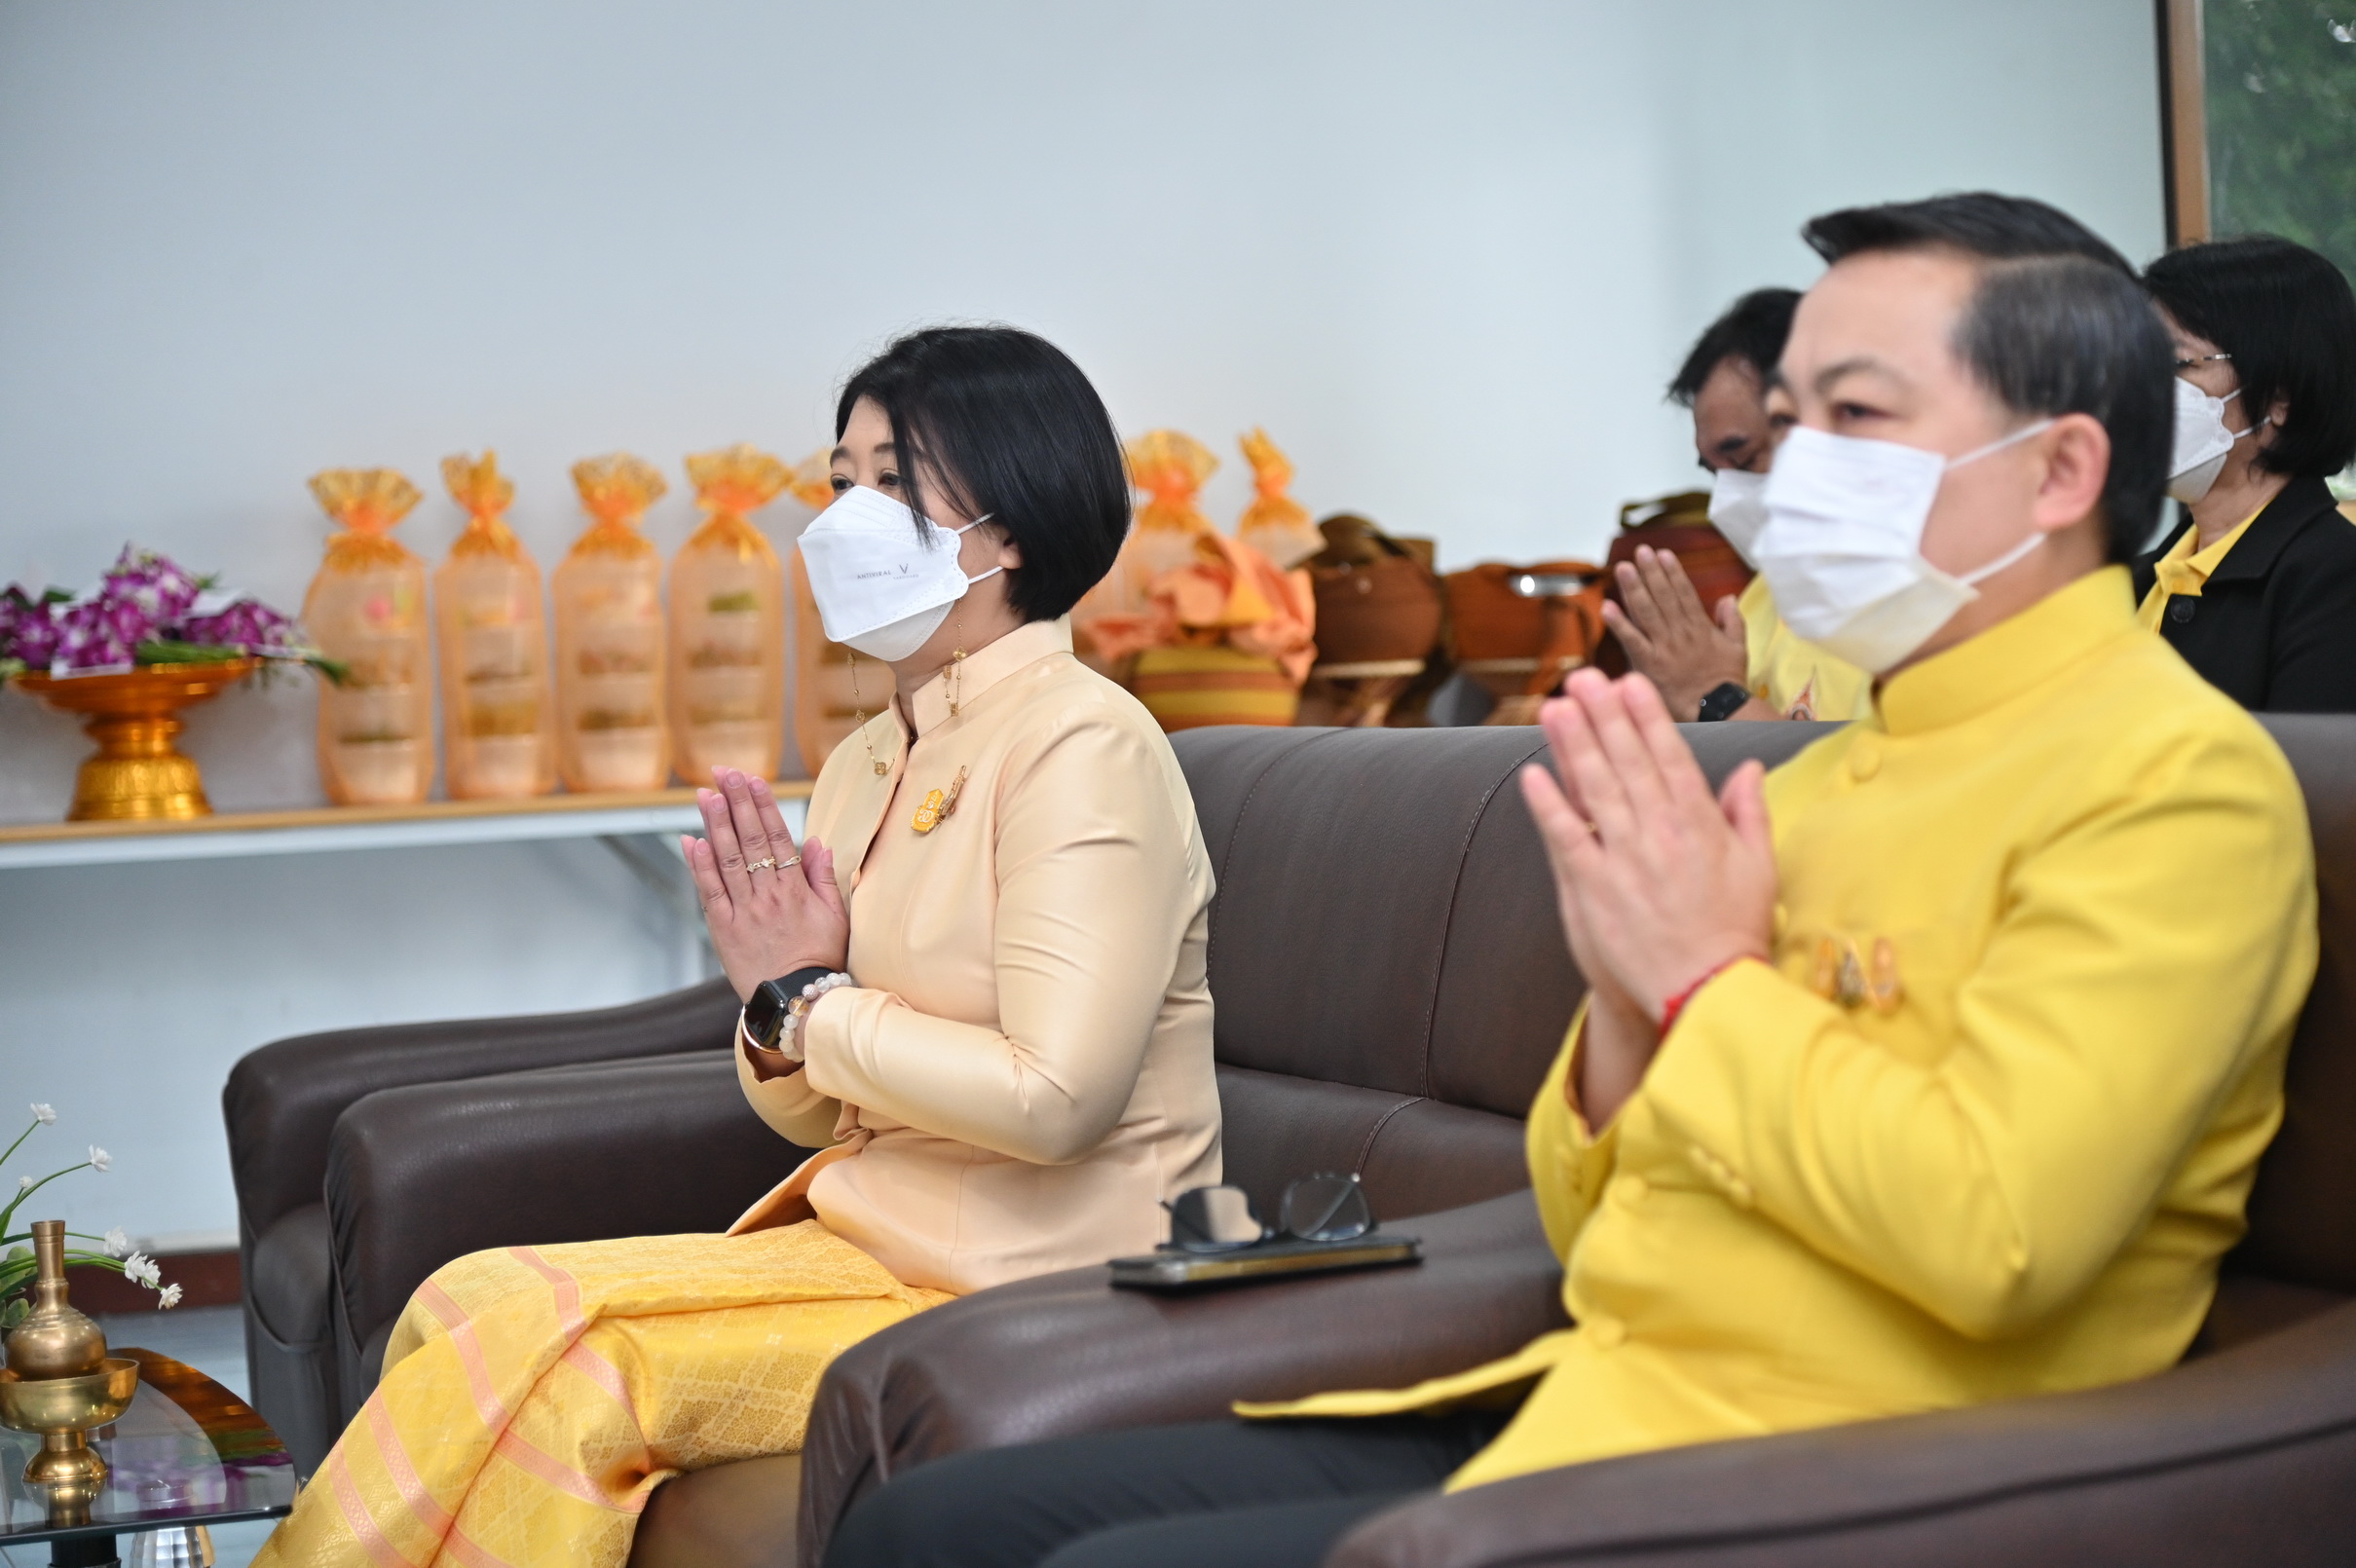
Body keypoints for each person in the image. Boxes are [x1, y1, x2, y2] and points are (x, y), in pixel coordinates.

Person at [822, 195, 2318, 1568]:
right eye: (1783, 425)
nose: (1792, 474)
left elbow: (1995, 1241)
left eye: (1853, 418)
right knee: (931, 1523)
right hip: (1588, 1391)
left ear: (2058, 467)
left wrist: (1700, 983)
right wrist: (1620, 1001)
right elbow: (1584, 1200)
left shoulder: (2169, 781)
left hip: (1830, 1464)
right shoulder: (1823, 773)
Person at [252, 326, 1222, 1568]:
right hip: (867, 1244)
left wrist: (809, 999)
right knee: (470, 1295)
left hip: (1040, 1285)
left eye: (892, 480)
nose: (845, 515)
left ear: (1012, 528)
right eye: (840, 478)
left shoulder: (1085, 745)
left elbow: (1056, 1100)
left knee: (571, 1373)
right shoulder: (869, 757)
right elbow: (813, 1114)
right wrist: (774, 1008)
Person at [1604, 285, 1878, 724]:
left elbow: (1881, 768)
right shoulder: (1760, 603)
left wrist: (1712, 696)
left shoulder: (1935, 595)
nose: (1727, 499)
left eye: (1745, 459)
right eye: (1715, 473)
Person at [2135, 236, 2356, 711]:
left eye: (2176, 364)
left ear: (2280, 399)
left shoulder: (2336, 579)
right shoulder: (2139, 577)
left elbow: (2305, 759)